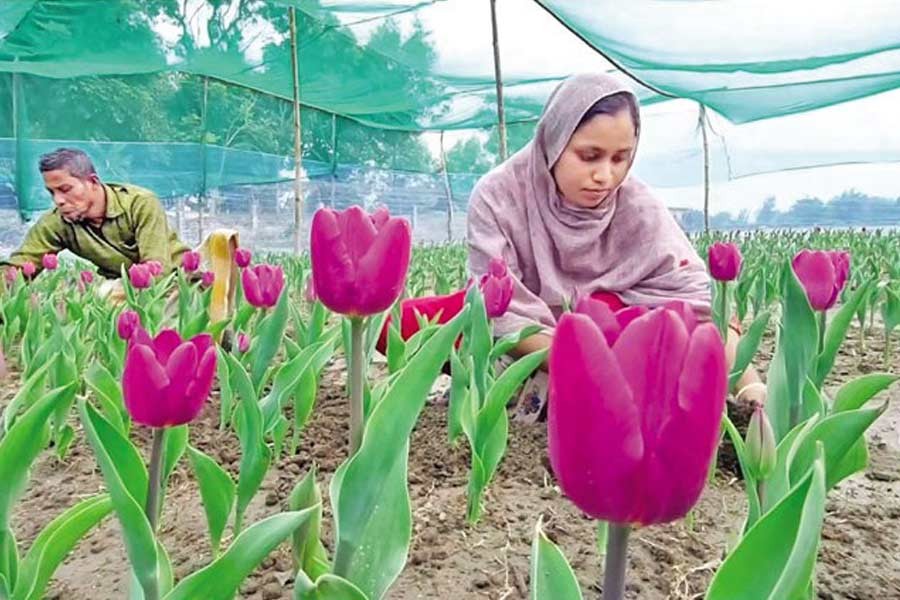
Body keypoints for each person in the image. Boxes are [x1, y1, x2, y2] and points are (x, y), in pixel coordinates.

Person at [466, 73, 766, 419]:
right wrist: (593, 367)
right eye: (589, 156)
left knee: (623, 315)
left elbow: (698, 302)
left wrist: (746, 383)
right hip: (532, 346)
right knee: (429, 322)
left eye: (620, 158)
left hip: (614, 338)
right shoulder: (498, 197)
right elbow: (501, 311)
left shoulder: (637, 206)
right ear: (553, 140)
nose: (605, 176)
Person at [1, 147, 189, 280]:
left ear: (92, 181)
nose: (58, 200)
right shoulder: (57, 221)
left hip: (178, 279)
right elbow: (18, 267)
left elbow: (157, 270)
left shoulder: (139, 203)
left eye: (65, 189)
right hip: (119, 286)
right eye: (52, 192)